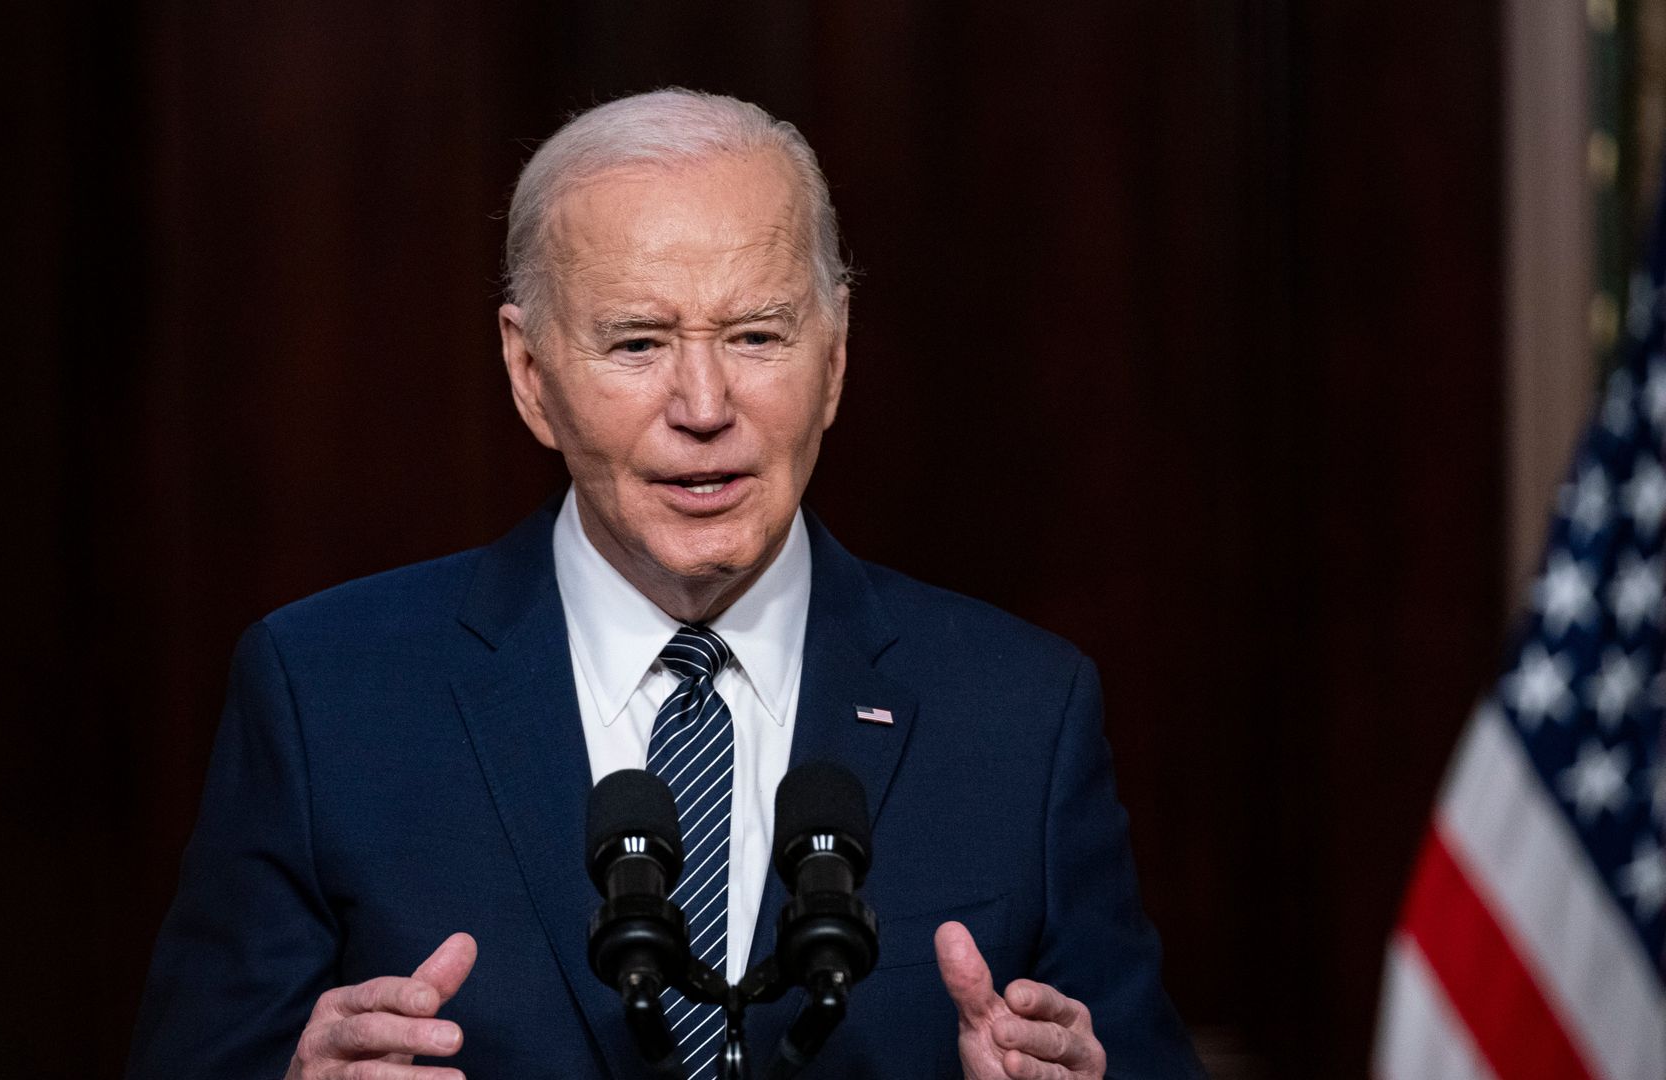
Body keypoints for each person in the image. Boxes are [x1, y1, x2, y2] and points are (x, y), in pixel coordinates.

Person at [127, 89, 1202, 1080]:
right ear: (531, 375)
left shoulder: (1021, 712)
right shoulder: (328, 695)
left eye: (755, 335)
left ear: (833, 361)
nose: (703, 403)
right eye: (637, 341)